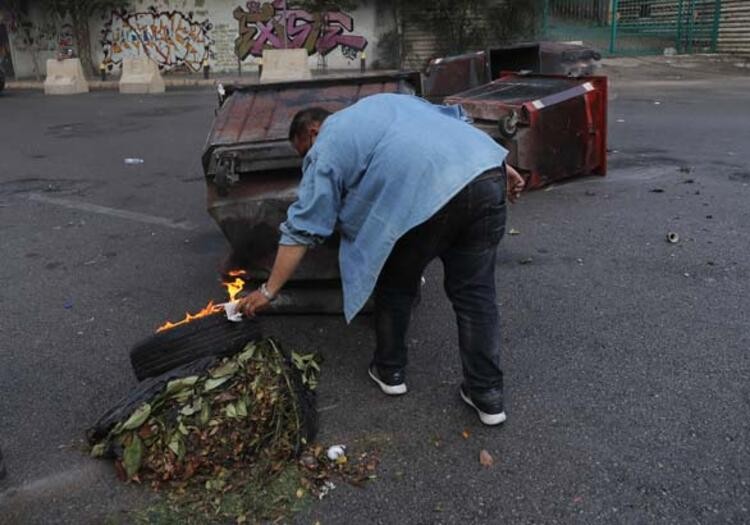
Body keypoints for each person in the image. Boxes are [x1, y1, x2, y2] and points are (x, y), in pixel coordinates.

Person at [238, 94, 524, 425]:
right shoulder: (389, 103)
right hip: (485, 173)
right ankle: (487, 395)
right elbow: (450, 131)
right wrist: (503, 167)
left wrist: (268, 291)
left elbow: (304, 225)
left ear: (313, 132)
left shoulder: (329, 139)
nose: (308, 162)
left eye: (304, 153)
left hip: (424, 191)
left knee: (396, 285)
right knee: (475, 295)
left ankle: (390, 372)